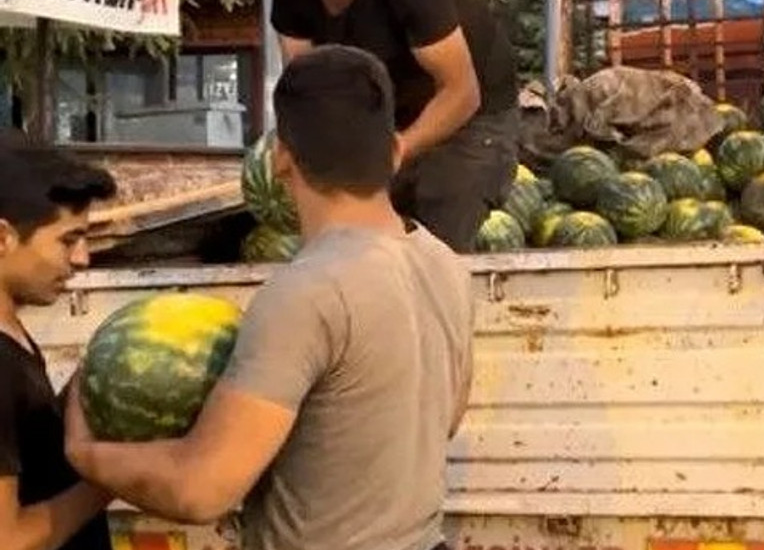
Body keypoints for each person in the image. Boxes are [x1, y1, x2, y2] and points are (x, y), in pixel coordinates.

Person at [64, 46, 475, 550]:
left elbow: (200, 489)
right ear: (393, 150)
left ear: (282, 157)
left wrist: (85, 452)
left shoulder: (308, 291)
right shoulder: (445, 265)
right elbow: (445, 419)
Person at [250, 0, 520, 253]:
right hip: (386, 118)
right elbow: (310, 96)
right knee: (356, 236)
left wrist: (395, 151)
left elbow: (462, 94)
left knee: (437, 219)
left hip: (474, 118)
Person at [0, 140, 118, 550]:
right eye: (69, 240)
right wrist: (107, 481)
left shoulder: (11, 332)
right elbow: (8, 539)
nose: (83, 258)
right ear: (2, 238)